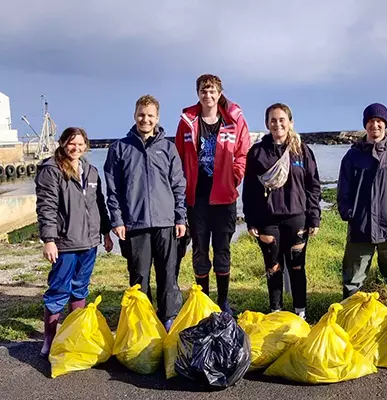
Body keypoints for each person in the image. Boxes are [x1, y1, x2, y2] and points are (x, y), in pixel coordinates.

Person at [104, 94, 186, 331]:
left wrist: (180, 217)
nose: (145, 119)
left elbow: (178, 184)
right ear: (134, 115)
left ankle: (168, 317)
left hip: (165, 222)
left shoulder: (168, 148)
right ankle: (143, 319)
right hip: (134, 223)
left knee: (168, 273)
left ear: (157, 118)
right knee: (139, 274)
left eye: (150, 115)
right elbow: (113, 189)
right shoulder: (120, 148)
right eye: (141, 114)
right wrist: (117, 220)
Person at [175, 74, 250, 314]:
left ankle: (224, 301)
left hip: (224, 197)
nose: (208, 96)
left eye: (212, 91)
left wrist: (235, 176)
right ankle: (204, 301)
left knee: (222, 250)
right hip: (196, 198)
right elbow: (177, 156)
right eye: (203, 91)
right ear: (198, 94)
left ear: (219, 93)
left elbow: (243, 152)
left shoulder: (233, 119)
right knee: (199, 250)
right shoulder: (188, 121)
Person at [35, 127, 113, 357]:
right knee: (59, 290)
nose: (76, 148)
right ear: (61, 143)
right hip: (65, 243)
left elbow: (100, 205)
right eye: (71, 143)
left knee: (80, 289)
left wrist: (106, 232)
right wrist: (49, 239)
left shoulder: (90, 170)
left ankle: (75, 334)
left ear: (86, 146)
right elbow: (46, 207)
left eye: (80, 144)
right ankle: (49, 338)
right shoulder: (51, 170)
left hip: (89, 243)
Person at [337, 103, 387, 324]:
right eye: (370, 121)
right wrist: (348, 213)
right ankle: (349, 319)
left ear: (386, 124)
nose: (375, 125)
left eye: (379, 121)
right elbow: (344, 189)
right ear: (365, 125)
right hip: (360, 227)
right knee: (352, 278)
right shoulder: (352, 156)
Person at [242, 103, 321, 319]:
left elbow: (313, 186)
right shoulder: (257, 152)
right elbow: (249, 190)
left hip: (297, 218)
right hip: (268, 220)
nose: (277, 124)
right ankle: (275, 312)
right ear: (267, 124)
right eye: (273, 120)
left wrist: (314, 218)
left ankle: (300, 313)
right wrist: (250, 221)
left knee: (297, 267)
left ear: (290, 123)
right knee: (273, 267)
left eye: (282, 119)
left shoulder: (302, 150)